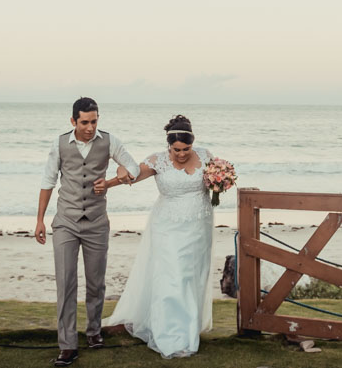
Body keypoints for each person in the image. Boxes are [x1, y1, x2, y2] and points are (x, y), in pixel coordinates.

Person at [97, 114, 214, 358]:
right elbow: (132, 176)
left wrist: (223, 180)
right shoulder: (158, 161)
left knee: (191, 278)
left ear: (193, 144)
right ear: (168, 145)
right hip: (167, 228)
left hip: (199, 227)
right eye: (176, 149)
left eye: (186, 149)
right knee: (171, 277)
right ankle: (169, 335)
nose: (181, 154)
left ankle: (188, 329)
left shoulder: (206, 156)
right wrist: (107, 184)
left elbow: (219, 177)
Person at [35, 97, 139, 367]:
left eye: (94, 121)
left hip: (96, 222)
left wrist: (113, 181)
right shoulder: (59, 144)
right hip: (66, 222)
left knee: (96, 283)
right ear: (73, 121)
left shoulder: (109, 141)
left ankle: (94, 331)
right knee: (66, 283)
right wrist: (40, 221)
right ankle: (67, 345)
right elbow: (47, 182)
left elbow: (135, 169)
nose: (90, 127)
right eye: (85, 122)